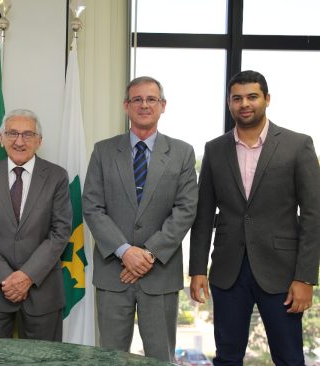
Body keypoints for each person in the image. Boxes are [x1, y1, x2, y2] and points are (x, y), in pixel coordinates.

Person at [189, 70, 320, 365]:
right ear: (229, 103)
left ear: (267, 99)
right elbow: (204, 213)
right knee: (227, 357)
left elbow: (314, 217)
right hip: (227, 270)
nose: (244, 104)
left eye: (252, 97)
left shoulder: (297, 145)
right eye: (237, 98)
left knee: (289, 358)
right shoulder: (214, 149)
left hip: (282, 274)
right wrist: (197, 269)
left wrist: (305, 278)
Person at [82, 76, 198, 361]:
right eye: (137, 99)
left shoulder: (182, 153)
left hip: (160, 273)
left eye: (151, 99)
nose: (144, 105)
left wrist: (146, 254)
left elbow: (185, 210)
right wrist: (125, 252)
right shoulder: (103, 151)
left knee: (160, 357)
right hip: (113, 274)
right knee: (110, 357)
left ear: (163, 106)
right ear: (126, 106)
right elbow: (92, 206)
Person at [0, 109, 72, 341]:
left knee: (43, 362)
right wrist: (6, 278)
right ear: (1, 138)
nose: (19, 141)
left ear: (39, 140)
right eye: (12, 133)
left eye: (27, 134)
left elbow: (60, 231)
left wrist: (27, 276)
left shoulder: (57, 177)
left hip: (42, 291)